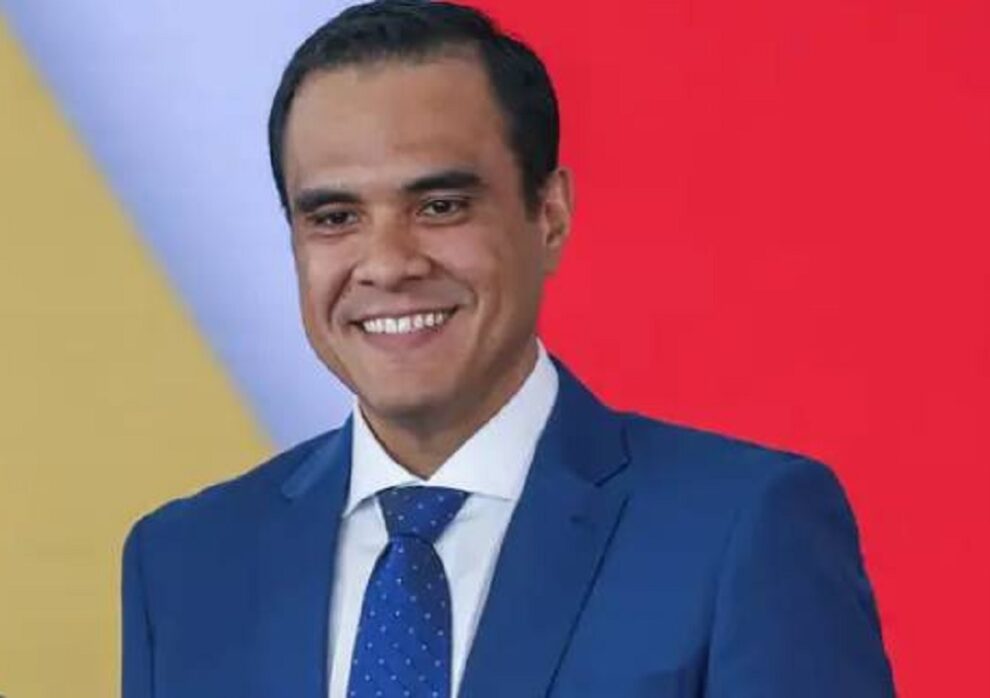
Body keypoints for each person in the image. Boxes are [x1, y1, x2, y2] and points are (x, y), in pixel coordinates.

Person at [121, 1, 895, 696]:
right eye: (334, 218)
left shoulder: (741, 531)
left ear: (549, 216)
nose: (387, 264)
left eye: (440, 206)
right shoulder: (184, 565)